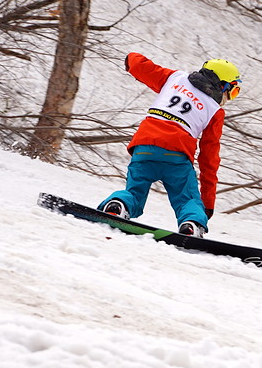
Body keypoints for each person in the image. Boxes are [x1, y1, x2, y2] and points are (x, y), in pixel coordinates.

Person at [98, 52, 242, 238]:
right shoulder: (215, 111)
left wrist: (130, 61)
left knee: (134, 192)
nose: (228, 98)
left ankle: (119, 206)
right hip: (177, 157)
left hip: (144, 148)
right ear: (222, 85)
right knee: (187, 200)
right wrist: (207, 204)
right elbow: (209, 160)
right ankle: (192, 224)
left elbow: (140, 65)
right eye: (233, 91)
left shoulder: (175, 78)